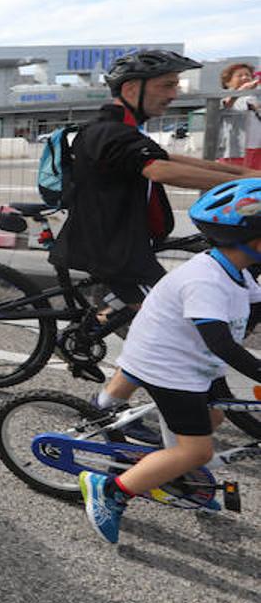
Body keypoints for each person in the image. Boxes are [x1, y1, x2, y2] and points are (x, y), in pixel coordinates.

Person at [48, 50, 256, 419]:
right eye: (167, 85)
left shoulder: (125, 128)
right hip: (114, 251)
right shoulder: (108, 131)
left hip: (128, 243)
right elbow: (160, 170)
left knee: (162, 324)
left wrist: (241, 175)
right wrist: (243, 184)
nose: (175, 93)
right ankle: (106, 409)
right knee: (175, 330)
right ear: (131, 88)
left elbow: (174, 160)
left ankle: (113, 376)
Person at [79, 178, 261, 545]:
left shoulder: (238, 272)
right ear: (254, 239)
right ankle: (110, 491)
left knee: (212, 417)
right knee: (197, 450)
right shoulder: (205, 280)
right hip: (171, 368)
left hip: (189, 362)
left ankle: (168, 475)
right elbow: (220, 342)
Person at [219, 62, 260, 168]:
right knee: (236, 180)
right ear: (228, 82)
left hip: (257, 149)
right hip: (236, 152)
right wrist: (240, 91)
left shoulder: (254, 97)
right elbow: (225, 106)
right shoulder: (225, 96)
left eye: (248, 75)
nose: (245, 77)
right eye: (240, 75)